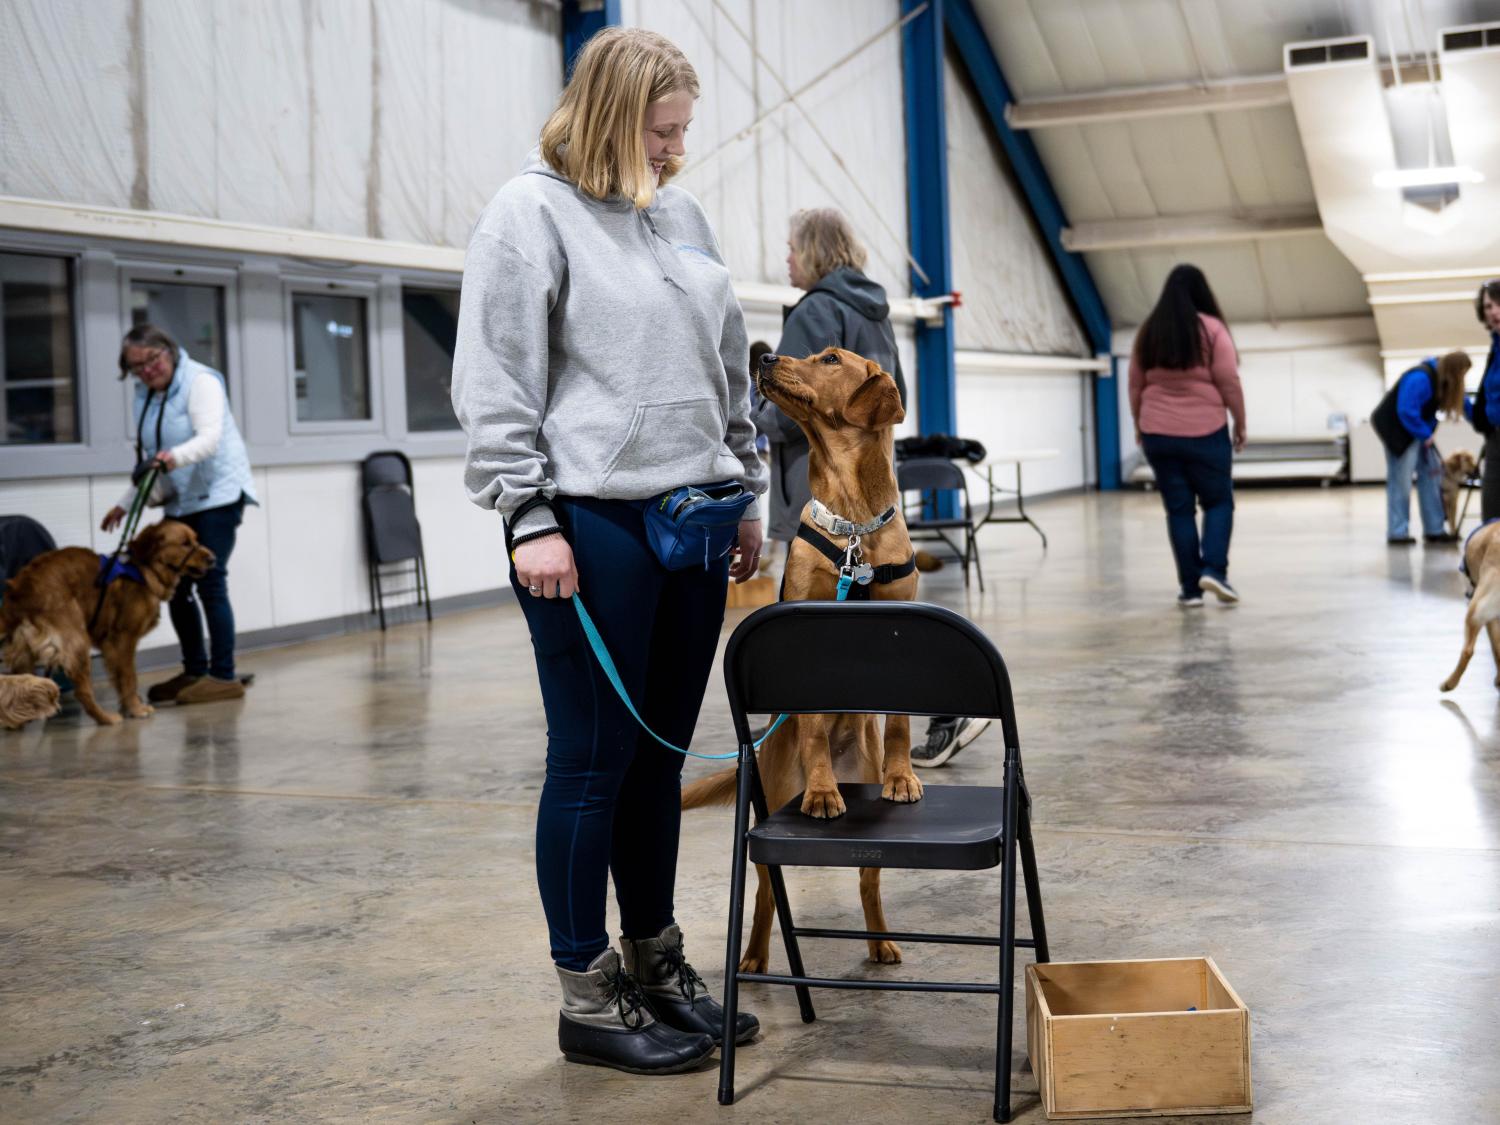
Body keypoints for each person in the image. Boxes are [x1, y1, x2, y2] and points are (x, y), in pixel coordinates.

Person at [450, 28, 766, 1076]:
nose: (675, 150)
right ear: (608, 116)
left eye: (683, 132)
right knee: (593, 760)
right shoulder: (528, 213)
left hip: (696, 518)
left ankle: (657, 962)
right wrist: (525, 515)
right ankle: (587, 994)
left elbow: (726, 367)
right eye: (661, 130)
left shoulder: (678, 213)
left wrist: (746, 484)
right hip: (591, 527)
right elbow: (497, 377)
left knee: (663, 760)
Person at [102, 324, 255, 703]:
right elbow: (149, 459)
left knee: (210, 579)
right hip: (182, 497)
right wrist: (126, 501)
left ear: (168, 350)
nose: (147, 371)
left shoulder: (200, 381)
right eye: (137, 367)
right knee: (177, 585)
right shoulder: (145, 396)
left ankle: (223, 676)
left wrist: (174, 458)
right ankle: (195, 670)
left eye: (151, 360)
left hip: (219, 493)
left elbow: (208, 439)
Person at [1129, 265, 1247, 608]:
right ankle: (1213, 570)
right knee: (1218, 501)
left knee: (1179, 511)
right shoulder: (1212, 329)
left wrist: (1140, 423)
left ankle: (1190, 589)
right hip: (1205, 431)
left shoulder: (1149, 332)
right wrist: (1240, 422)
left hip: (1157, 433)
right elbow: (1228, 380)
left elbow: (1135, 384)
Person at [1372, 351, 1470, 544]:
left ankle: (1434, 530)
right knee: (1401, 482)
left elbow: (1463, 404)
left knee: (1432, 477)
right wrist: (1425, 435)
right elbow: (1406, 410)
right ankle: (1397, 533)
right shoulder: (1420, 377)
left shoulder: (1441, 380)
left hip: (1416, 429)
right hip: (1397, 431)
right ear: (1454, 370)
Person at [1466, 280, 1500, 520]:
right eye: (1488, 306)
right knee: (1491, 513)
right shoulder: (1495, 348)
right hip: (1495, 437)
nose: (1494, 312)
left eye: (1499, 304)